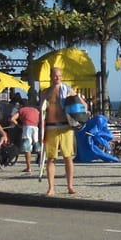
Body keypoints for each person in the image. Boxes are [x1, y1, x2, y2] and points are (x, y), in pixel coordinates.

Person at [40, 67, 84, 196]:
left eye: (59, 75)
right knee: (51, 158)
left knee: (67, 157)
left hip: (66, 127)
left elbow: (82, 104)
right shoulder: (45, 92)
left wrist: (80, 115)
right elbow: (41, 111)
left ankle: (70, 186)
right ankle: (51, 188)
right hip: (50, 127)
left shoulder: (67, 90)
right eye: (55, 76)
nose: (57, 78)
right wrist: (40, 130)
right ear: (50, 76)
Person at [9, 98, 40, 173]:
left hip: (27, 128)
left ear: (21, 105)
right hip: (35, 127)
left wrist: (19, 125)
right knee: (37, 145)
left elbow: (12, 119)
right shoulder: (35, 110)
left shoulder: (22, 110)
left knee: (27, 148)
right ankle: (42, 163)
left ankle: (28, 167)